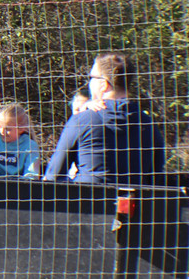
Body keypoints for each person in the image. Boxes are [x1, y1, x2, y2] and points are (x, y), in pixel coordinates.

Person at [43, 53, 166, 186]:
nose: (89, 83)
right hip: (131, 203)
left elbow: (53, 176)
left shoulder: (83, 119)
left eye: (91, 78)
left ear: (103, 84)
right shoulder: (148, 124)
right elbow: (155, 176)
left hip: (85, 202)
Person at [0, 104, 40, 178]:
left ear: (21, 128)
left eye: (8, 129)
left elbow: (31, 175)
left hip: (20, 186)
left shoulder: (30, 146)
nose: (2, 131)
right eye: (0, 126)